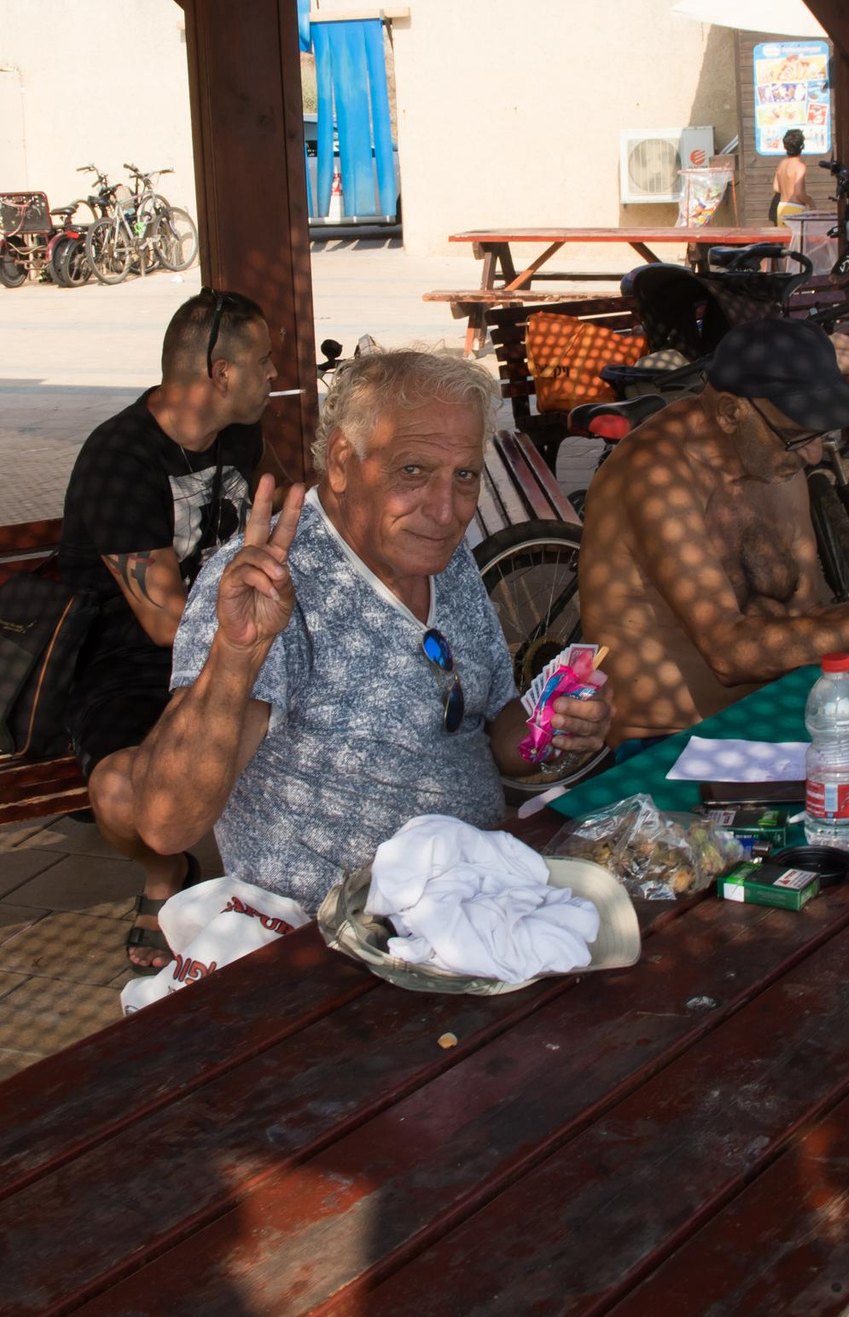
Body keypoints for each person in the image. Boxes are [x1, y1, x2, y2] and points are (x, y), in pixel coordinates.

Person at [92, 350, 614, 912]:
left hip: (472, 890)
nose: (446, 510)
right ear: (341, 461)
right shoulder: (272, 579)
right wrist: (237, 654)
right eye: (412, 471)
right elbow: (167, 823)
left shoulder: (445, 557)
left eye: (464, 475)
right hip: (341, 926)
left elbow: (494, 736)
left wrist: (553, 727)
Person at [579, 319, 849, 743]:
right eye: (797, 436)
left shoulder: (774, 459)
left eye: (821, 434)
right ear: (729, 413)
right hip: (668, 745)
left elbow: (801, 620)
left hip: (774, 713)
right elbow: (729, 654)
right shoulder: (657, 473)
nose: (813, 454)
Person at [53, 288, 275, 967]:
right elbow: (159, 622)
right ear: (219, 375)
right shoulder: (119, 458)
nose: (274, 373)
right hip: (127, 664)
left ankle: (280, 877)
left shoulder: (237, 435)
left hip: (227, 644)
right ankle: (162, 872)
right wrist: (250, 637)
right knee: (121, 797)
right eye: (263, 361)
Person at [772, 128, 812, 226]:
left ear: (785, 146)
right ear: (802, 146)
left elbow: (776, 188)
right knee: (797, 240)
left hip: (781, 207)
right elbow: (799, 193)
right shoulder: (800, 166)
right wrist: (811, 202)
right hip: (795, 208)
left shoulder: (782, 163)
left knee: (785, 240)